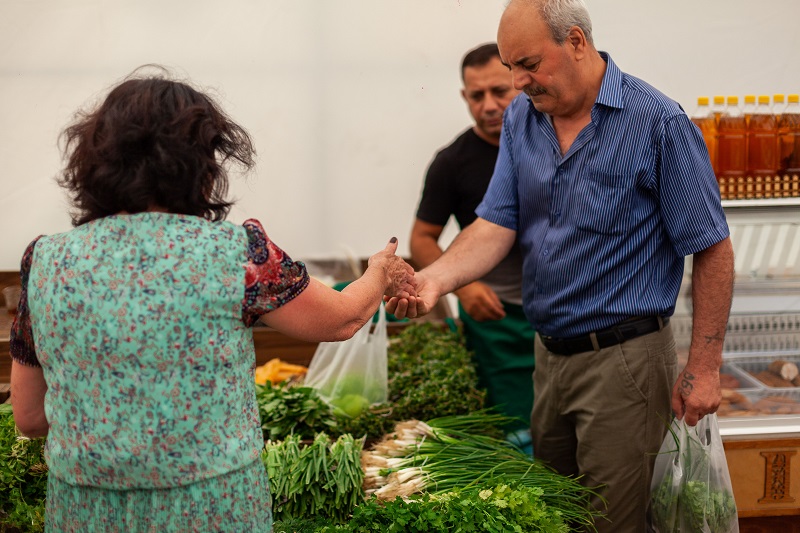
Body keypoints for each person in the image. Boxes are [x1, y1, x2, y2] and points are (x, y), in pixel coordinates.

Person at [9, 68, 415, 532]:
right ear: (201, 162)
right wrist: (379, 270)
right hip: (212, 509)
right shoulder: (238, 253)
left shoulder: (45, 261)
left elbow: (30, 417)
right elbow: (342, 320)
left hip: (86, 511)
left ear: (96, 160)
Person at [386, 0, 735, 530]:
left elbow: (712, 247)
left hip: (625, 360)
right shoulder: (525, 117)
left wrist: (705, 368)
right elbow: (496, 223)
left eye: (527, 64)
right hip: (547, 355)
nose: (518, 82)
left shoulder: (657, 122)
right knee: (554, 515)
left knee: (609, 522)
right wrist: (434, 280)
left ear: (575, 41)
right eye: (510, 68)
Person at [410, 43, 535, 451]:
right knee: (514, 432)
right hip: (493, 316)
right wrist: (464, 287)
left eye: (500, 92)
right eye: (476, 96)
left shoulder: (550, 142)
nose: (489, 105)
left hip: (558, 311)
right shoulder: (452, 162)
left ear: (520, 83)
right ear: (465, 97)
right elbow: (422, 239)